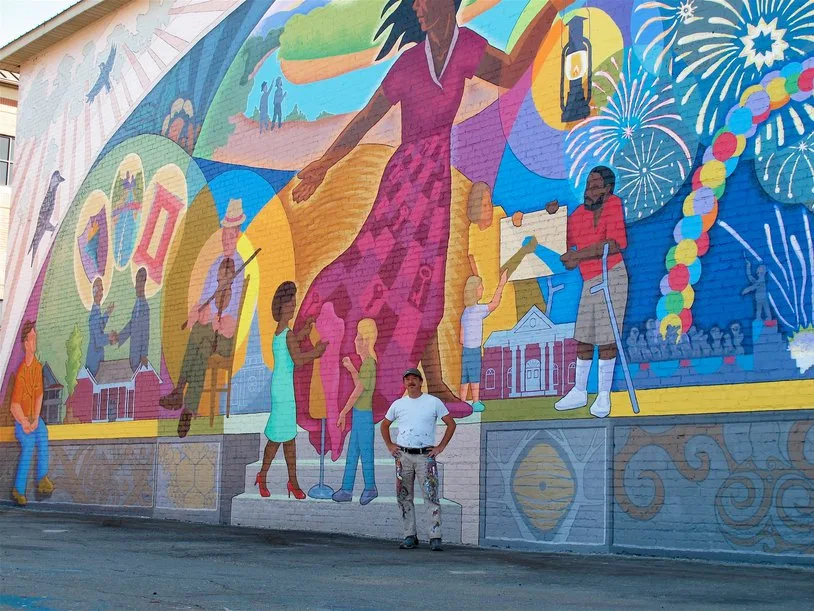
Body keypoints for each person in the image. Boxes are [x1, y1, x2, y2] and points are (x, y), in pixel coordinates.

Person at [291, 0, 575, 457]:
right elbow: (365, 118)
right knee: (382, 275)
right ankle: (425, 381)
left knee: (426, 284)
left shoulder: (467, 49)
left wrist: (550, 11)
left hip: (435, 182)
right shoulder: (408, 63)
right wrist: (324, 164)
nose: (419, 7)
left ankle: (437, 382)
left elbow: (513, 70)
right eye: (415, 2)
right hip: (403, 182)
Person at [159, 199, 246, 437]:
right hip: (210, 334)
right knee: (201, 335)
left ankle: (181, 392)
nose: (226, 242)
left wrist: (222, 322)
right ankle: (187, 405)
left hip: (226, 338)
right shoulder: (216, 264)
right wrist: (197, 311)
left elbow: (233, 315)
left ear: (238, 235)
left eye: (230, 237)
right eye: (223, 238)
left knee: (202, 338)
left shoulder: (240, 267)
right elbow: (205, 296)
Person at [548, 166, 628, 418]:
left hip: (612, 275)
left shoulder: (614, 205)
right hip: (589, 279)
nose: (589, 191)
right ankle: (579, 391)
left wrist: (578, 256)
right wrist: (552, 217)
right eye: (587, 185)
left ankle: (603, 395)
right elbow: (562, 238)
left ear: (607, 189)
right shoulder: (579, 214)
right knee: (583, 336)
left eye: (595, 186)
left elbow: (614, 243)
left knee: (606, 337)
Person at [255, 281, 327, 499]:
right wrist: (317, 351)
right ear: (283, 307)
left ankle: (285, 480)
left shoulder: (282, 332)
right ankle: (271, 477)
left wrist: (306, 329)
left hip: (281, 388)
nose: (294, 306)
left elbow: (293, 342)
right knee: (280, 437)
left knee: (286, 438)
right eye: (291, 303)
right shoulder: (286, 334)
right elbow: (298, 359)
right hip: (284, 391)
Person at [381, 368, 457, 552]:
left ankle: (435, 536)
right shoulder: (398, 405)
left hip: (425, 456)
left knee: (431, 496)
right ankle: (409, 536)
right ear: (404, 383)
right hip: (403, 457)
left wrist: (440, 447)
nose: (411, 382)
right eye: (407, 379)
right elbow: (384, 425)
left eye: (415, 378)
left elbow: (451, 424)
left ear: (421, 382)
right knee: (404, 497)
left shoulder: (433, 402)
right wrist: (391, 445)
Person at [333, 318, 379, 505]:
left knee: (366, 453)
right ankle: (346, 489)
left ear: (367, 340)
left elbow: (357, 392)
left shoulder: (369, 364)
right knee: (353, 453)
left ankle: (370, 488)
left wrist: (343, 412)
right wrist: (352, 368)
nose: (355, 341)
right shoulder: (365, 365)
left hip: (364, 416)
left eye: (359, 338)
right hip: (359, 415)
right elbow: (359, 386)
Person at [10, 321, 54, 506]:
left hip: (33, 418)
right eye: (32, 338)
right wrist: (25, 423)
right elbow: (14, 405)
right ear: (25, 343)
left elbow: (39, 395)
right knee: (28, 445)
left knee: (43, 434)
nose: (35, 341)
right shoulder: (21, 372)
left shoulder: (37, 367)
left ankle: (42, 478)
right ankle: (18, 489)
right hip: (21, 421)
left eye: (36, 337)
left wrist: (36, 419)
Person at [459, 270, 508, 411]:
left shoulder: (465, 312)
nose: (482, 290)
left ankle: (462, 402)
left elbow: (461, 338)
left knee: (465, 378)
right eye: (481, 288)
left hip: (465, 350)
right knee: (475, 377)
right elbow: (495, 303)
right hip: (474, 350)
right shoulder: (478, 310)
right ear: (475, 291)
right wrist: (501, 284)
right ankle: (475, 402)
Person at [111, 267, 150, 372]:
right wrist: (119, 337)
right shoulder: (136, 305)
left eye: (139, 282)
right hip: (133, 353)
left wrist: (144, 354)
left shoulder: (145, 307)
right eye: (136, 281)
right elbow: (131, 326)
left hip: (139, 356)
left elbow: (145, 333)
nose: (137, 286)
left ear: (144, 284)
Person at [86, 278, 114, 377]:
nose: (102, 293)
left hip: (97, 357)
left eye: (102, 290)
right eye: (100, 290)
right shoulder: (94, 313)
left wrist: (107, 313)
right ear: (94, 292)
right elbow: (98, 339)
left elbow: (99, 326)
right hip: (94, 359)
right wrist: (109, 337)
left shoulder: (96, 310)